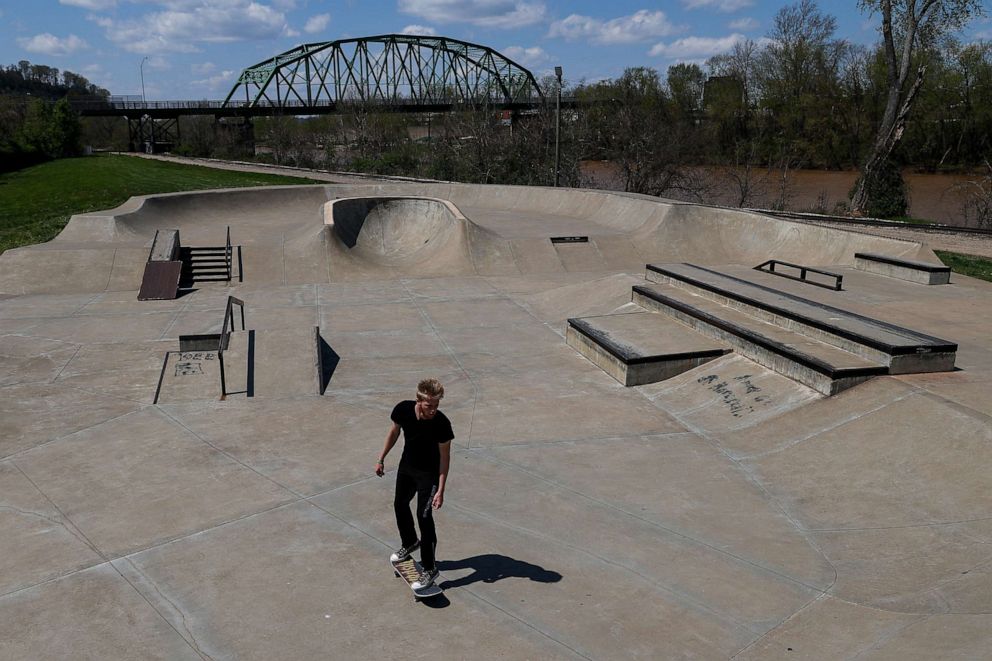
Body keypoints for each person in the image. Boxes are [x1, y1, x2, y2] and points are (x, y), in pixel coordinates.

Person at [375, 378, 453, 590]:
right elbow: (394, 432)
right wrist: (381, 458)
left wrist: (441, 490)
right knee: (399, 504)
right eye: (429, 405)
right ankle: (410, 542)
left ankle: (430, 568)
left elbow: (445, 459)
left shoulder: (442, 424)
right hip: (407, 469)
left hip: (429, 476)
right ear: (418, 400)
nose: (433, 410)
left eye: (437, 405)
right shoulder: (403, 410)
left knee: (424, 516)